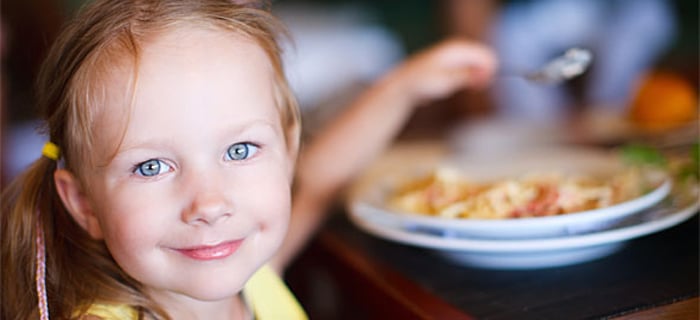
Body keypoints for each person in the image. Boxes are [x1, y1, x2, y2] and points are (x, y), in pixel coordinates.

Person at [0, 0, 496, 319]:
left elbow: (322, 179)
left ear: (287, 152)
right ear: (83, 203)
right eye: (151, 166)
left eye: (240, 150)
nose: (210, 204)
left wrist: (402, 88)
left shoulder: (254, 277)